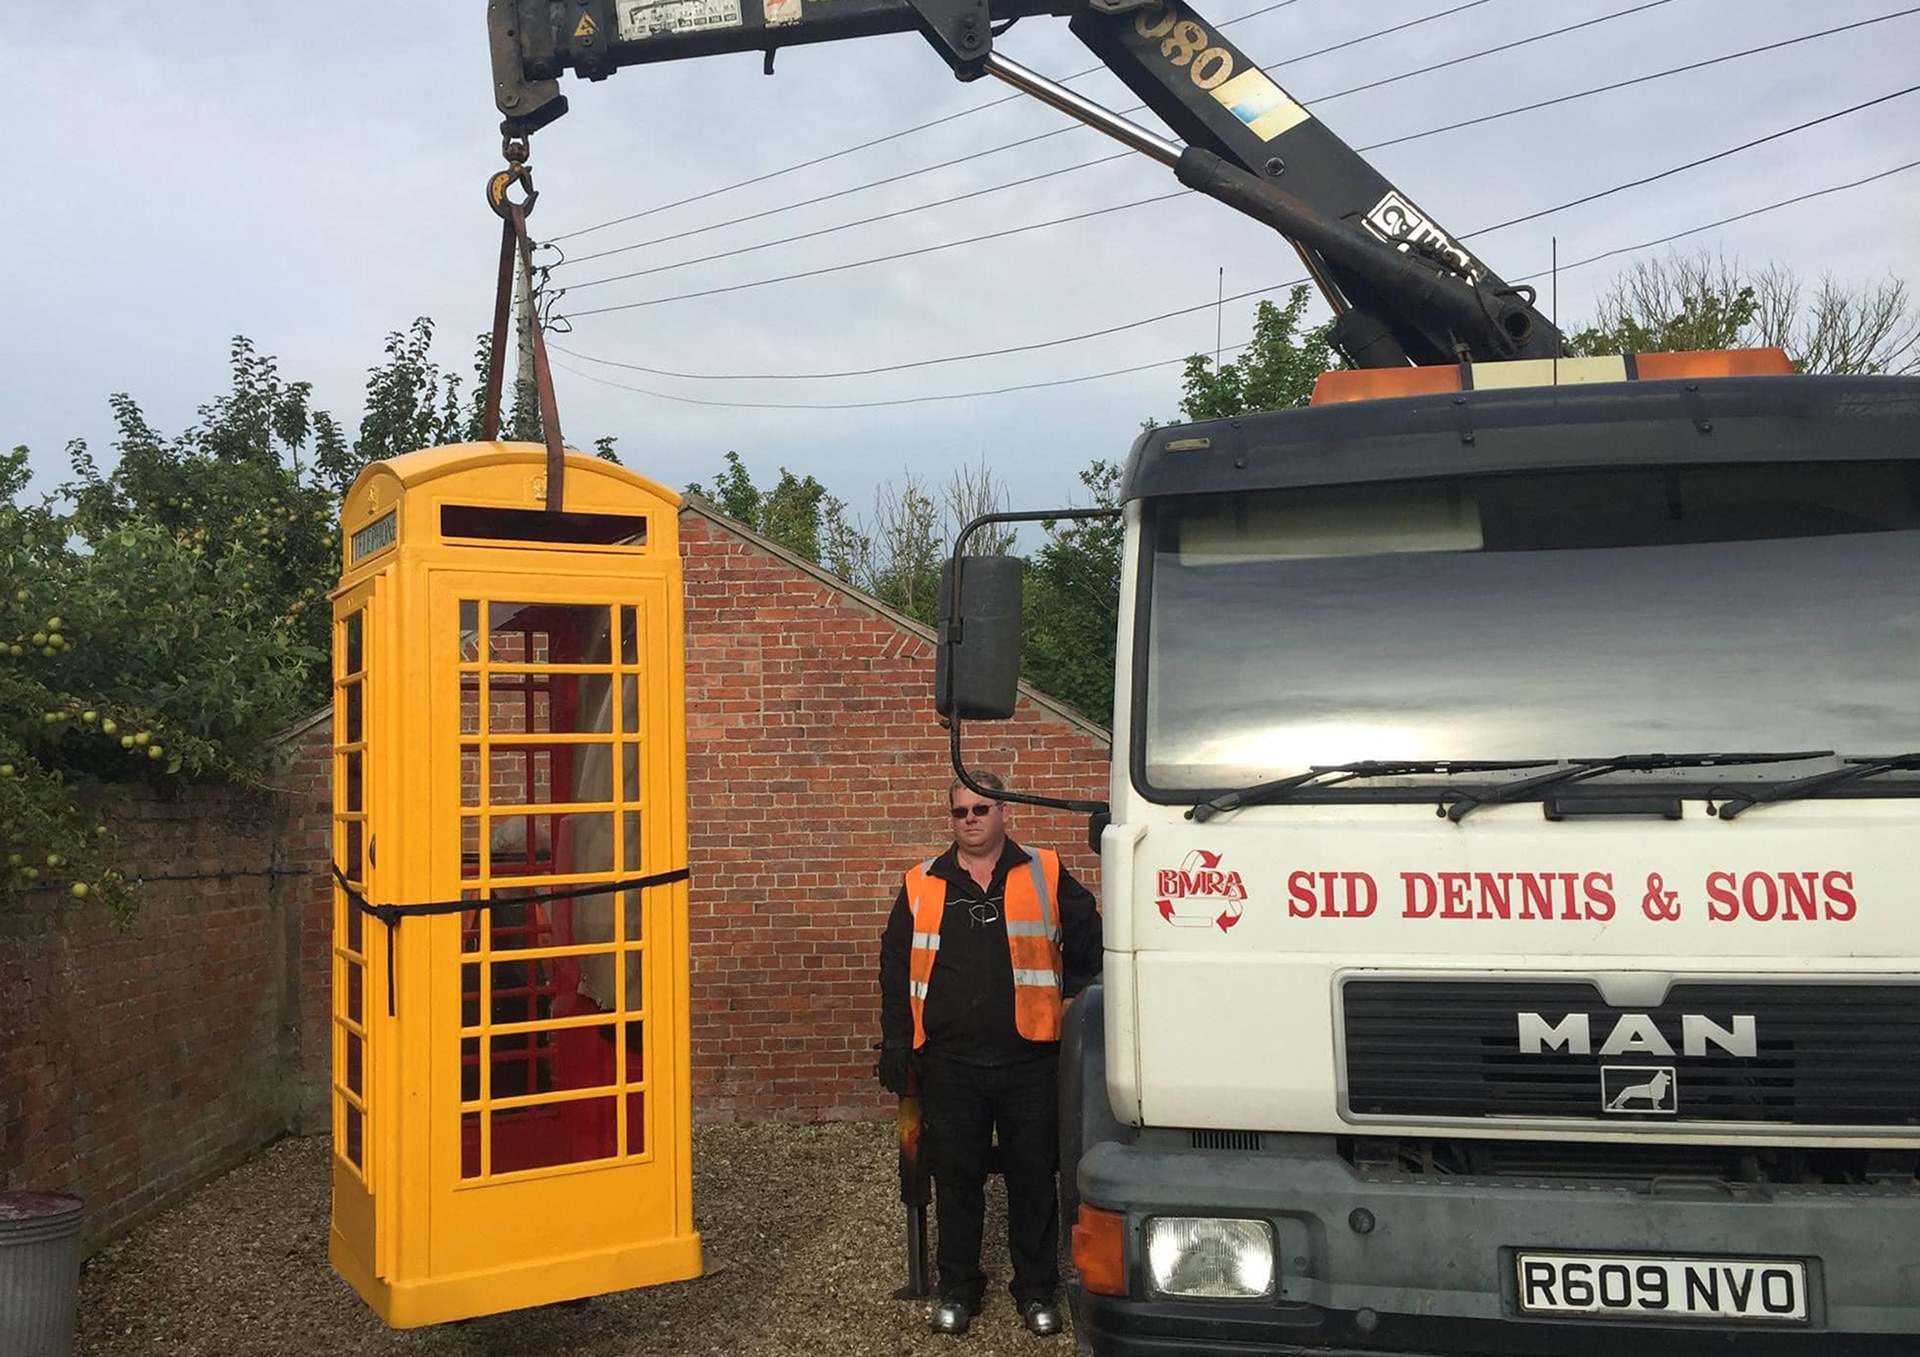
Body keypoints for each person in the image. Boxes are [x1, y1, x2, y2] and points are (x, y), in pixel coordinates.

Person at [877, 772, 1102, 1338]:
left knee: (1033, 1178)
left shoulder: (1044, 870)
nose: (972, 820)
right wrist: (898, 1043)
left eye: (982, 809)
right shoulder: (922, 882)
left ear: (1005, 813)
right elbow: (894, 969)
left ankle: (1036, 1292)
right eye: (961, 812)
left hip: (1030, 1058)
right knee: (955, 1178)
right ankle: (957, 1289)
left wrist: (1074, 1001)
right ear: (949, 819)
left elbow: (1089, 940)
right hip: (949, 1063)